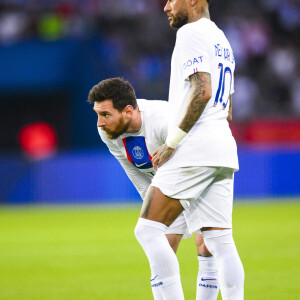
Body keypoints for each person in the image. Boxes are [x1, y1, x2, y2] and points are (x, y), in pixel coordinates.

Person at [134, 1, 245, 300]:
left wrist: (172, 143)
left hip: (193, 148)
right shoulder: (223, 40)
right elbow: (228, 109)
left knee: (147, 230)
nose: (166, 6)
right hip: (222, 145)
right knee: (220, 241)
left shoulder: (190, 33)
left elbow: (202, 89)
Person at [88, 77, 220, 300]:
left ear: (128, 111)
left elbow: (194, 162)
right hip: (167, 182)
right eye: (98, 114)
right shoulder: (108, 132)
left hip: (202, 174)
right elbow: (134, 172)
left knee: (206, 245)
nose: (100, 123)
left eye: (105, 115)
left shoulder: (163, 120)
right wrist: (153, 212)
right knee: (159, 247)